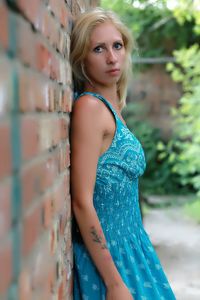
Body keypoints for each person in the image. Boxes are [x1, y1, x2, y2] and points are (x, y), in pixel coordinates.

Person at [70, 7, 176, 300]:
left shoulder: (112, 108)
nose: (112, 57)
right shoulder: (90, 109)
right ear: (82, 59)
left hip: (134, 249)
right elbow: (81, 201)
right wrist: (114, 283)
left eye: (117, 46)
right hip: (111, 260)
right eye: (98, 49)